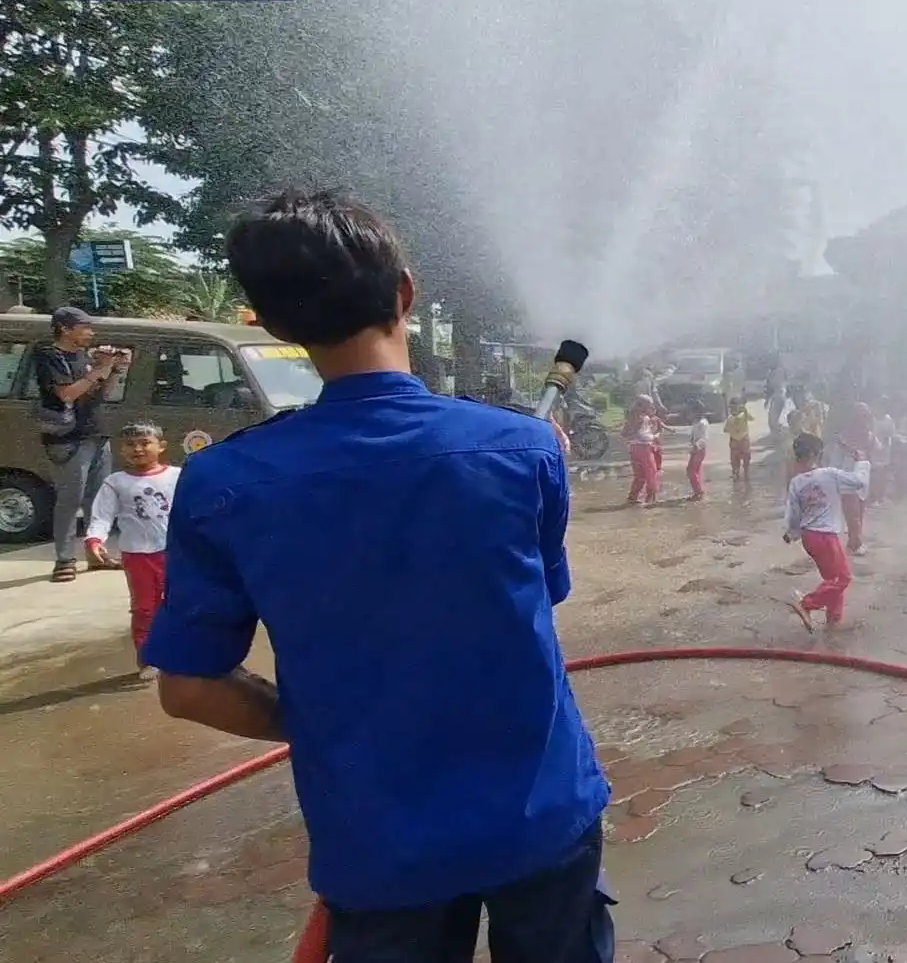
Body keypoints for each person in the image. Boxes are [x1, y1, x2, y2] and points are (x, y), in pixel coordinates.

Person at [140, 191, 613, 963]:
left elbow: (189, 687)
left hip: (379, 848)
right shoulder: (521, 449)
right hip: (542, 818)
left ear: (272, 323)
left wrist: (328, 723)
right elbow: (535, 598)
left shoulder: (223, 482)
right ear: (404, 293)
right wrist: (529, 449)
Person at [33, 306, 131, 583]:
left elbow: (100, 396)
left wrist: (113, 371)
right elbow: (66, 394)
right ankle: (64, 559)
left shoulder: (83, 357)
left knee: (99, 500)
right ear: (65, 328)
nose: (91, 333)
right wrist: (100, 368)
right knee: (70, 500)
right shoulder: (49, 356)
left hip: (96, 433)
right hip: (68, 439)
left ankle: (95, 553)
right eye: (85, 327)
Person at [84, 421, 179, 678]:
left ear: (161, 446)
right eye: (130, 444)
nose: (137, 449)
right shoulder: (116, 483)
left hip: (177, 553)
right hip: (137, 556)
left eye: (144, 443)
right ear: (121, 450)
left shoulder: (178, 476)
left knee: (181, 604)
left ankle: (183, 653)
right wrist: (94, 539)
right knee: (145, 608)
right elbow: (102, 517)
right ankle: (148, 659)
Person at [783, 431, 869, 631]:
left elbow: (793, 513)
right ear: (815, 454)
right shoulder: (829, 474)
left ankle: (833, 622)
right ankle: (806, 604)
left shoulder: (796, 482)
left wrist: (792, 533)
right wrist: (862, 462)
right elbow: (859, 482)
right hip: (825, 536)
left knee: (832, 581)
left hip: (810, 538)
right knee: (842, 578)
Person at [833, 403, 874, 555]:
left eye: (865, 417)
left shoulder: (869, 436)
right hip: (847, 479)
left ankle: (853, 541)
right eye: (860, 417)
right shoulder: (842, 438)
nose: (863, 421)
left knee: (860, 512)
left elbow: (871, 458)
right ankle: (856, 544)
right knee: (853, 514)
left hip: (863, 478)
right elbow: (835, 461)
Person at [623, 394, 662, 505]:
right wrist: (652, 437)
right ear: (644, 406)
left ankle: (632, 497)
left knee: (639, 475)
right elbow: (639, 433)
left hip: (633, 448)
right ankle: (651, 498)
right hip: (644, 448)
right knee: (651, 472)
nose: (652, 408)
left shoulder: (631, 417)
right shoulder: (641, 418)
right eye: (650, 406)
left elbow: (624, 433)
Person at [724, 399, 755, 484]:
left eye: (735, 407)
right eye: (731, 408)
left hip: (743, 440)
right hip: (735, 441)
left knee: (746, 459)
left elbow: (752, 419)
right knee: (735, 461)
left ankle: (745, 476)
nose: (733, 410)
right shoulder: (730, 418)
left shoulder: (744, 415)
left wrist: (745, 411)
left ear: (739, 407)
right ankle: (736, 475)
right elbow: (725, 430)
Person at [686, 412, 709, 501]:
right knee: (694, 470)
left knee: (691, 470)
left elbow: (704, 437)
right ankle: (698, 491)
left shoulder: (702, 423)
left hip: (699, 448)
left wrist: (697, 446)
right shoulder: (697, 422)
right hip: (696, 448)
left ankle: (698, 492)